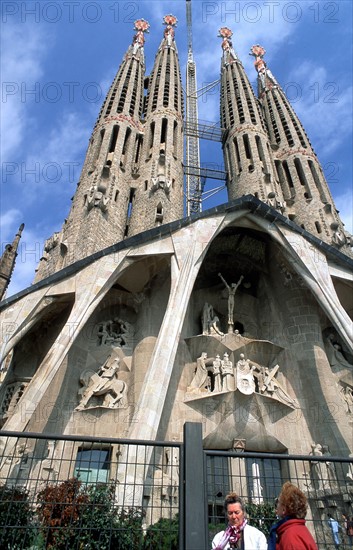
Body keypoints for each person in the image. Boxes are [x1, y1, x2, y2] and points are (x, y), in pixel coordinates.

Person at [268, 482, 318, 549]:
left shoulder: (291, 536)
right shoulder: (299, 529)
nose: (276, 505)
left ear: (284, 509)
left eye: (277, 501)